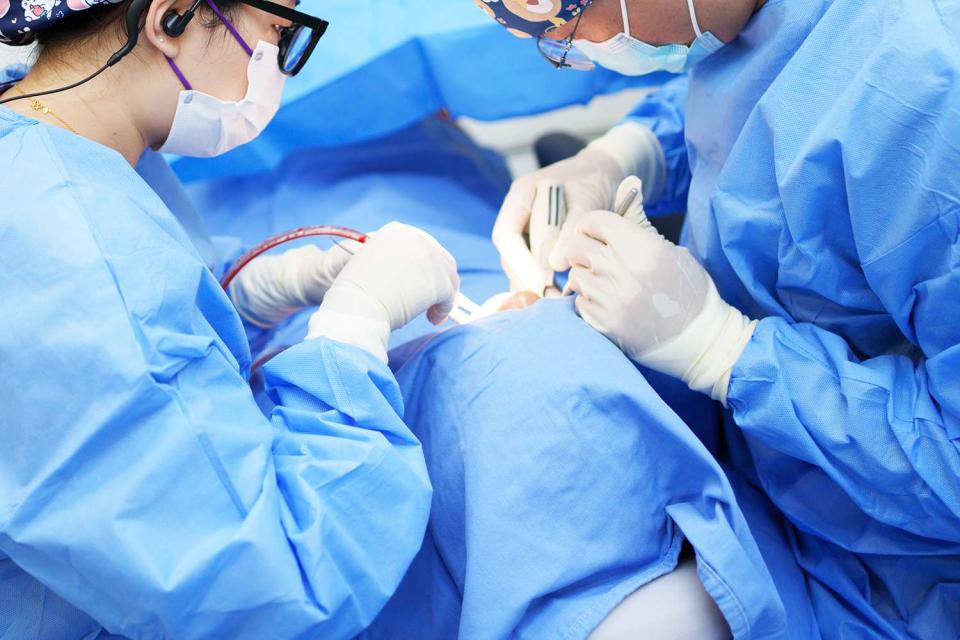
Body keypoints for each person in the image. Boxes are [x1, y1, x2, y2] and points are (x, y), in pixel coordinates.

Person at [469, 0, 960, 637]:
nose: (574, 47)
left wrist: (723, 350)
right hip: (761, 472)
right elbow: (762, 92)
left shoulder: (924, 87)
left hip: (892, 565)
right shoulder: (758, 17)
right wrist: (628, 153)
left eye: (563, 31)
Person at [0, 0, 463, 637]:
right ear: (170, 20)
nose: (279, 61)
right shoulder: (71, 244)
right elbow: (272, 593)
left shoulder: (41, 150)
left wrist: (244, 299)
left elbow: (140, 346)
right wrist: (355, 329)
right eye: (279, 31)